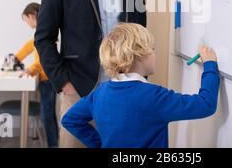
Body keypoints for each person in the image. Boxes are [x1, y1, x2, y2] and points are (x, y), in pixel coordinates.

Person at [34, 0, 150, 148]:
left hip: (123, 90)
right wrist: (63, 83)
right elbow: (44, 38)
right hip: (78, 91)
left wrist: (139, 81)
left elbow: (141, 39)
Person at [61, 23, 220, 148]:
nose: (155, 54)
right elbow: (205, 104)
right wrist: (210, 65)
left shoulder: (99, 94)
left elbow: (70, 119)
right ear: (141, 55)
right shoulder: (154, 97)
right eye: (153, 49)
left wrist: (100, 145)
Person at [15, 2, 58, 148]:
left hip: (48, 79)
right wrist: (16, 59)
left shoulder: (44, 31)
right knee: (46, 115)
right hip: (44, 79)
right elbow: (31, 45)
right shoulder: (41, 31)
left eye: (26, 19)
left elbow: (42, 60)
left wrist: (30, 70)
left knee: (47, 116)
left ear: (32, 15)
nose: (26, 23)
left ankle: (53, 145)